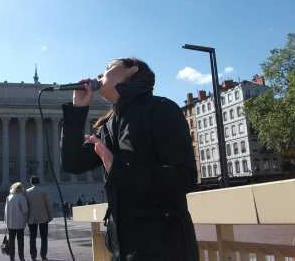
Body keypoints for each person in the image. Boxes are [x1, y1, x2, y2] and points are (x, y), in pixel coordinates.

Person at [61, 57, 199, 260]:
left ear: (132, 70)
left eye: (108, 68)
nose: (100, 74)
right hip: (123, 249)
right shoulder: (108, 127)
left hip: (165, 247)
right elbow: (73, 163)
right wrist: (77, 111)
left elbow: (185, 176)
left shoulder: (162, 109)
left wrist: (118, 168)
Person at [26, 176, 53, 261]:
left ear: (31, 182)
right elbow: (48, 204)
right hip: (43, 216)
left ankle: (33, 256)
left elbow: (26, 206)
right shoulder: (43, 191)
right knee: (44, 237)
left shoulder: (27, 192)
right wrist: (50, 215)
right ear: (39, 182)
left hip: (31, 217)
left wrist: (26, 217)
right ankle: (43, 255)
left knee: (32, 237)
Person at [4, 182, 28, 261]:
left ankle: (12, 257)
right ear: (21, 188)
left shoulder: (9, 197)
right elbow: (25, 210)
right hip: (20, 223)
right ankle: (21, 257)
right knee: (20, 241)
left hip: (10, 223)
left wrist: (6, 222)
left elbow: (5, 211)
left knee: (11, 242)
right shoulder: (21, 197)